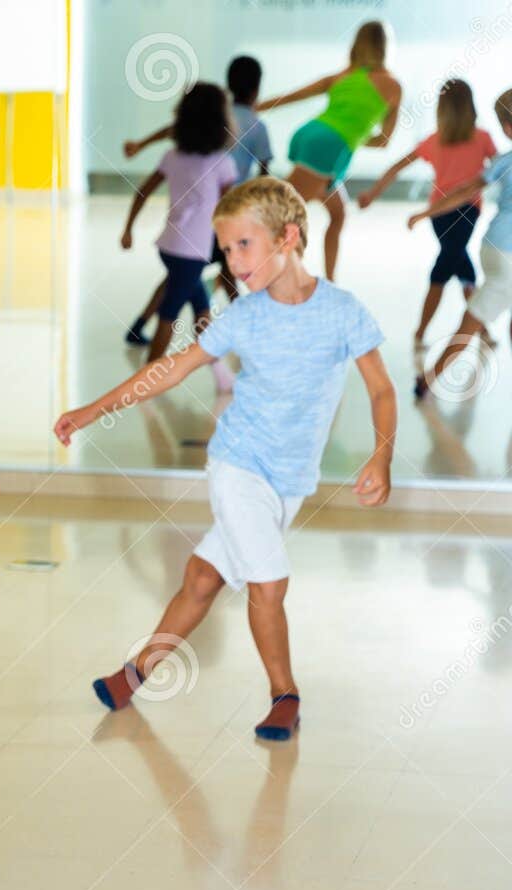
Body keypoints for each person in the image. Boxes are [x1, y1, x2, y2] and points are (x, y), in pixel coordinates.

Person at [54, 177, 395, 740]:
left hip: (290, 482)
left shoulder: (343, 312)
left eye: (244, 245)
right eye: (226, 249)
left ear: (288, 237)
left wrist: (381, 456)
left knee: (202, 578)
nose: (233, 262)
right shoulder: (244, 315)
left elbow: (382, 390)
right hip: (238, 465)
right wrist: (93, 410)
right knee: (268, 584)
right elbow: (170, 369)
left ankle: (131, 675)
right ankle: (285, 694)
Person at [123, 55, 274, 344]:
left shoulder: (208, 118)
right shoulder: (251, 127)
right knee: (212, 279)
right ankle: (247, 332)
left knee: (187, 282)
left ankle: (142, 324)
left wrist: (141, 144)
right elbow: (263, 177)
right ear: (257, 90)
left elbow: (171, 131)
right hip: (220, 222)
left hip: (194, 228)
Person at [359, 80, 500, 357]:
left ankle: (434, 331)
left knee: (453, 261)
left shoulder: (441, 140)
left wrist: (373, 193)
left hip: (454, 213)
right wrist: (372, 193)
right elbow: (500, 169)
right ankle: (469, 329)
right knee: (455, 263)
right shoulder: (474, 137)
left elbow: (501, 169)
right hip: (448, 213)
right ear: (470, 106)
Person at [255, 20, 402, 280]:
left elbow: (291, 97)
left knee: (338, 213)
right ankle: (254, 269)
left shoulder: (342, 76)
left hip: (311, 134)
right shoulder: (393, 86)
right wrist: (356, 136)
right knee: (285, 216)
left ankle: (329, 281)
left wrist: (251, 107)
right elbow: (384, 141)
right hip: (329, 147)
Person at [119, 83, 239, 389]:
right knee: (169, 314)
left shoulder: (173, 156)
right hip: (192, 252)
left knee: (201, 308)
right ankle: (145, 382)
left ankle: (221, 376)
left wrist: (128, 228)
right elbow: (231, 210)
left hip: (170, 247)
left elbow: (143, 191)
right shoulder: (222, 163)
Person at [411, 89, 512, 401]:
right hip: (507, 254)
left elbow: (464, 190)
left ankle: (428, 378)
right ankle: (427, 380)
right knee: (472, 322)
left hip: (494, 246)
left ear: (506, 128)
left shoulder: (504, 161)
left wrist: (427, 211)